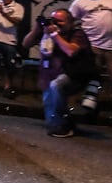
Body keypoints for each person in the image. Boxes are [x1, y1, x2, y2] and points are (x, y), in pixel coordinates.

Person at [20, 8, 95, 137]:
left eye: (60, 21)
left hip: (72, 76)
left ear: (70, 22)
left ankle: (63, 128)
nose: (56, 24)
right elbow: (26, 44)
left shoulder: (77, 34)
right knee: (50, 104)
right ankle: (65, 124)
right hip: (48, 74)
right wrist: (37, 29)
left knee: (56, 86)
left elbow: (70, 51)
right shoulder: (46, 32)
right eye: (53, 20)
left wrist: (55, 35)